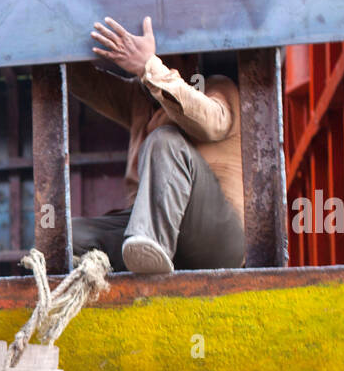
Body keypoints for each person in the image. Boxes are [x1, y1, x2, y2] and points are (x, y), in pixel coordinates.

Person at [66, 15, 245, 274]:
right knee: (69, 238)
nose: (162, 60)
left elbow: (211, 122)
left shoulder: (216, 87)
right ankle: (145, 250)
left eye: (165, 54)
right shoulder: (140, 100)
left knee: (165, 140)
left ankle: (150, 245)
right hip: (151, 236)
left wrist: (148, 66)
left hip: (216, 240)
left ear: (189, 58)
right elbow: (86, 82)